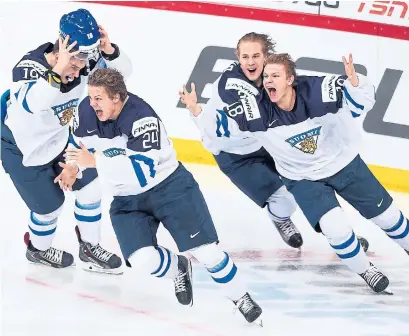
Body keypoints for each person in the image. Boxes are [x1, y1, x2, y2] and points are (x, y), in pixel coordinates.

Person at [181, 52, 409, 293]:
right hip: (303, 179)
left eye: (276, 75)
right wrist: (197, 112)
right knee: (336, 229)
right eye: (266, 76)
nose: (269, 80)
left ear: (290, 79)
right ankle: (366, 270)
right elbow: (223, 133)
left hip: (344, 164)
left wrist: (357, 84)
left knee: (389, 218)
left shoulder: (318, 90)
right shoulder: (255, 110)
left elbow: (360, 102)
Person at [62, 68, 263, 324]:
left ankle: (241, 297)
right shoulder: (85, 112)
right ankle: (179, 267)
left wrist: (94, 162)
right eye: (90, 97)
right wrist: (73, 166)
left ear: (116, 97)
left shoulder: (142, 118)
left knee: (207, 252)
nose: (92, 104)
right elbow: (76, 144)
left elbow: (141, 174)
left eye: (98, 98)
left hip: (170, 189)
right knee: (142, 260)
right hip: (127, 200)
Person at [0, 8, 132, 273]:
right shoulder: (29, 68)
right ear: (62, 44)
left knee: (91, 187)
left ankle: (89, 247)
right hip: (22, 148)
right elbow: (35, 104)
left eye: (86, 56)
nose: (82, 65)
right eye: (76, 57)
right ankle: (37, 250)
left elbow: (121, 78)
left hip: (60, 139)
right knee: (49, 209)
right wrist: (59, 69)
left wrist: (109, 51)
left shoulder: (85, 62)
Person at [181, 32, 303, 249]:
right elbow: (253, 117)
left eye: (256, 56)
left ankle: (336, 233)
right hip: (235, 157)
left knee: (310, 181)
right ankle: (280, 218)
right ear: (237, 57)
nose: (250, 62)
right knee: (285, 199)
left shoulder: (271, 75)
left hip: (261, 144)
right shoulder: (231, 82)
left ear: (266, 56)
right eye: (245, 56)